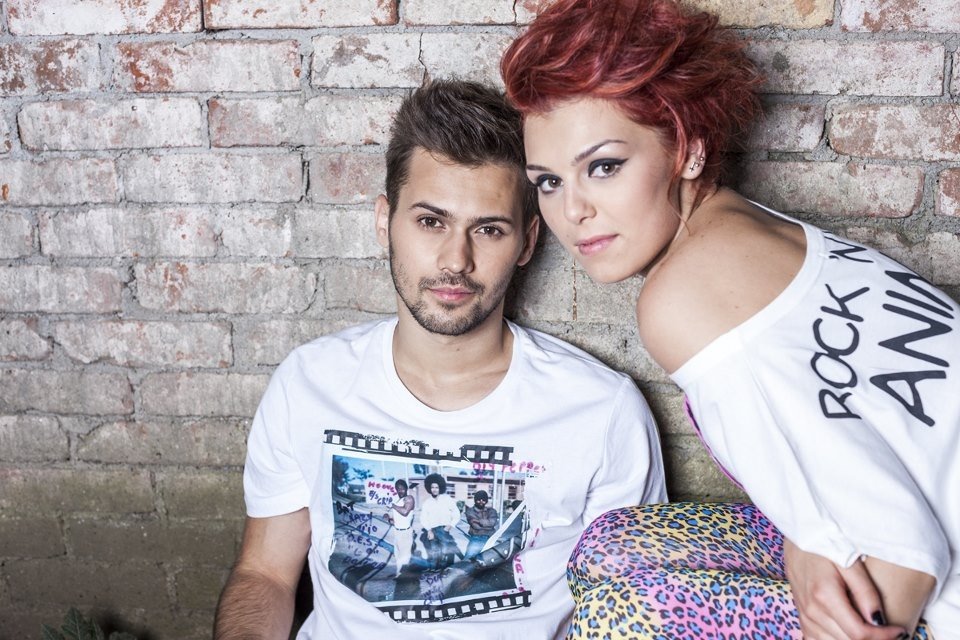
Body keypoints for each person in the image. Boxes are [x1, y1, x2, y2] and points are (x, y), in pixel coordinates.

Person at [501, 2, 960, 640]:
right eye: (548, 182)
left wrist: (828, 545)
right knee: (608, 547)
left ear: (687, 149)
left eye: (603, 167)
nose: (572, 211)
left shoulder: (682, 298)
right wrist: (808, 535)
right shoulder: (757, 231)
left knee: (619, 616)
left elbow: (897, 564)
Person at [213, 78, 667, 640]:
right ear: (384, 221)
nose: (456, 259)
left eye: (489, 229)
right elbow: (264, 574)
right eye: (431, 221)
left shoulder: (602, 411)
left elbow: (633, 607)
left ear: (527, 242)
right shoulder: (308, 382)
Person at [418, 473, 462, 568]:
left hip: (443, 530)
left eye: (436, 487)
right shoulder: (427, 502)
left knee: (445, 554)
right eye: (432, 487)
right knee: (435, 554)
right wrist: (429, 530)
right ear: (429, 488)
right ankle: (435, 572)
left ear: (440, 488)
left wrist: (450, 525)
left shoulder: (447, 499)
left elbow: (456, 513)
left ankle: (445, 572)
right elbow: (423, 518)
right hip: (432, 531)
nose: (434, 489)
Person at [386, 479, 415, 575]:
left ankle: (404, 578)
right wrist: (388, 518)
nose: (400, 491)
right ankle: (399, 576)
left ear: (406, 488)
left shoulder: (409, 498)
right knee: (398, 557)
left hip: (405, 533)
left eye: (402, 489)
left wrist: (393, 505)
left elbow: (405, 512)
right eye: (398, 489)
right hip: (397, 532)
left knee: (404, 558)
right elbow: (396, 521)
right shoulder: (398, 501)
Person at [464, 490, 499, 559]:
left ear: (486, 501)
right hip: (476, 538)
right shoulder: (470, 511)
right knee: (468, 559)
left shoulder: (492, 511)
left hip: (490, 539)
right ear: (475, 500)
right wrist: (489, 524)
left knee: (488, 560)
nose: (481, 501)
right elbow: (476, 526)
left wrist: (479, 521)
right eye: (478, 500)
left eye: (483, 500)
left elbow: (493, 522)